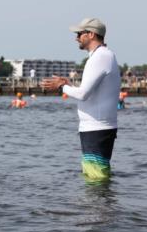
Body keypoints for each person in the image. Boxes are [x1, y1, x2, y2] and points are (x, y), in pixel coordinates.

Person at [42, 18, 120, 182]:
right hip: (96, 127)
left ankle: (100, 207)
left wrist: (61, 87)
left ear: (91, 34)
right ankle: (99, 207)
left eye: (79, 33)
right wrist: (68, 84)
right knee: (95, 178)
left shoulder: (100, 57)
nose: (76, 37)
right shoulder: (102, 55)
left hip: (97, 128)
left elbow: (83, 94)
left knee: (96, 180)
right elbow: (89, 90)